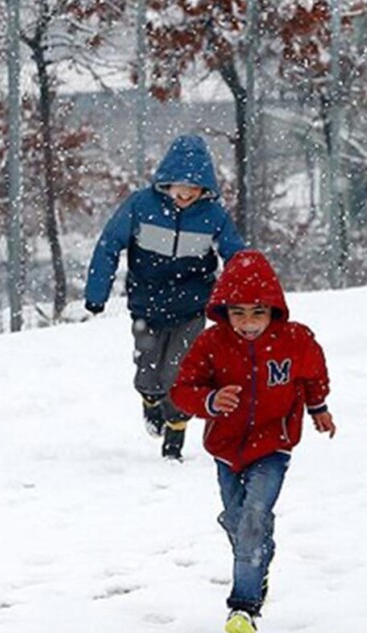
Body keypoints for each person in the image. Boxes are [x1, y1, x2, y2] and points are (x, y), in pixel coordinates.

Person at [169, 249, 336, 633]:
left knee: (255, 516)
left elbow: (313, 373)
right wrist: (209, 401)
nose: (248, 323)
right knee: (237, 519)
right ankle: (257, 558)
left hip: (273, 444)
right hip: (226, 447)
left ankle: (243, 605)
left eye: (258, 313)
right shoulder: (212, 343)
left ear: (274, 310)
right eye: (238, 313)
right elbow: (182, 389)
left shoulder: (295, 340)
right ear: (224, 311)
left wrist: (319, 407)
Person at [84, 134, 245, 460]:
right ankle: (150, 401)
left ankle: (176, 431)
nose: (186, 195)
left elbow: (237, 256)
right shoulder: (141, 206)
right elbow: (109, 245)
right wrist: (96, 292)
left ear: (206, 189)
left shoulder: (213, 216)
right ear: (166, 182)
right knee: (149, 371)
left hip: (191, 308)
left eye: (194, 190)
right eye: (179, 188)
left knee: (180, 372)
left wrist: (244, 299)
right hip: (146, 305)